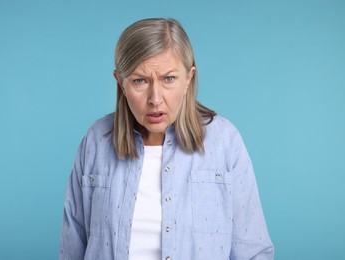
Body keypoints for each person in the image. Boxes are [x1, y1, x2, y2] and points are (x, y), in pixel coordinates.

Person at [59, 18, 274, 260]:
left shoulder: (225, 142)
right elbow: (72, 248)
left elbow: (253, 252)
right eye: (140, 81)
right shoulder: (96, 141)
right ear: (120, 82)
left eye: (168, 79)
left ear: (188, 78)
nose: (155, 98)